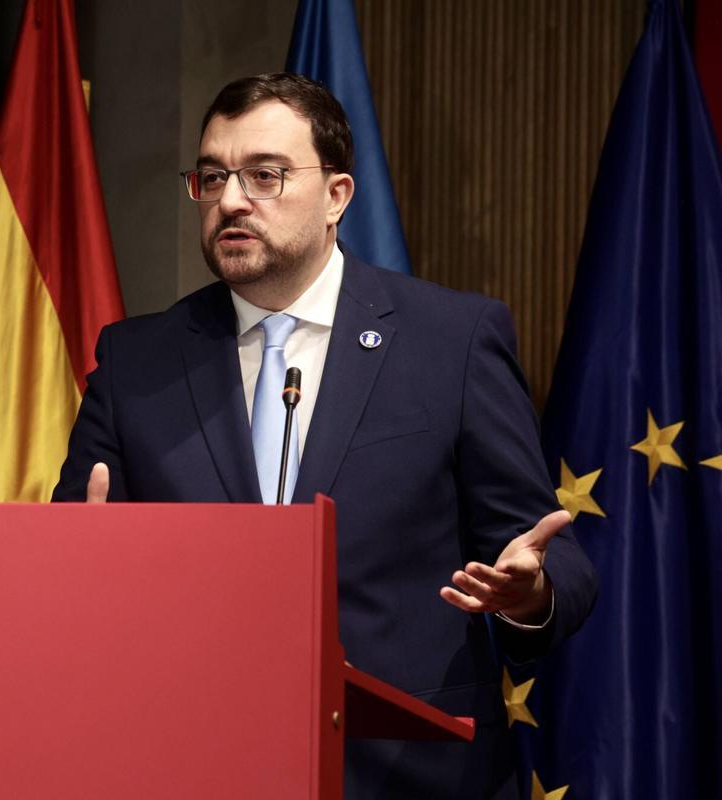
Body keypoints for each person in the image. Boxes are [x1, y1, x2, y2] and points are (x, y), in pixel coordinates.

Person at [53, 72, 598, 798]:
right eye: (212, 176)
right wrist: (77, 567)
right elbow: (65, 560)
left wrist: (528, 594)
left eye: (265, 175)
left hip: (409, 775)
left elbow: (555, 562)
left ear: (338, 195)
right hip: (197, 766)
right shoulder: (136, 362)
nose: (231, 199)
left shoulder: (451, 342)